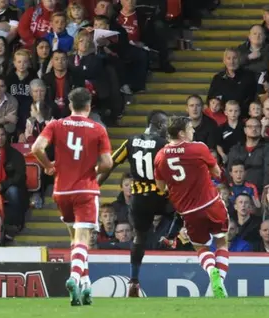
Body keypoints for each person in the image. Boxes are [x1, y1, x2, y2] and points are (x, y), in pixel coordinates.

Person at [31, 87, 112, 306]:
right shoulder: (97, 129)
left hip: (61, 191)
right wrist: (92, 171)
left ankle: (85, 286)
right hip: (85, 190)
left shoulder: (56, 124)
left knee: (75, 241)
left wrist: (48, 166)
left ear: (69, 105)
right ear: (89, 106)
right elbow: (108, 163)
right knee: (83, 240)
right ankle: (74, 277)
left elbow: (36, 148)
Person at [154, 116, 229, 298]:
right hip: (211, 203)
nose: (193, 131)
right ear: (181, 133)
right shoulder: (199, 148)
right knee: (222, 242)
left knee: (200, 247)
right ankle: (219, 283)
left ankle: (211, 271)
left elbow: (160, 187)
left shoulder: (160, 156)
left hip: (188, 212)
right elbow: (218, 173)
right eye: (190, 129)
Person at [96, 110, 169, 297]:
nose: (168, 129)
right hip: (159, 197)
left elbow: (110, 163)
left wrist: (95, 185)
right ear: (159, 125)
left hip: (138, 200)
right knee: (180, 213)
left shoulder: (131, 141)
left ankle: (134, 281)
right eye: (166, 125)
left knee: (139, 238)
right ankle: (171, 238)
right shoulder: (164, 144)